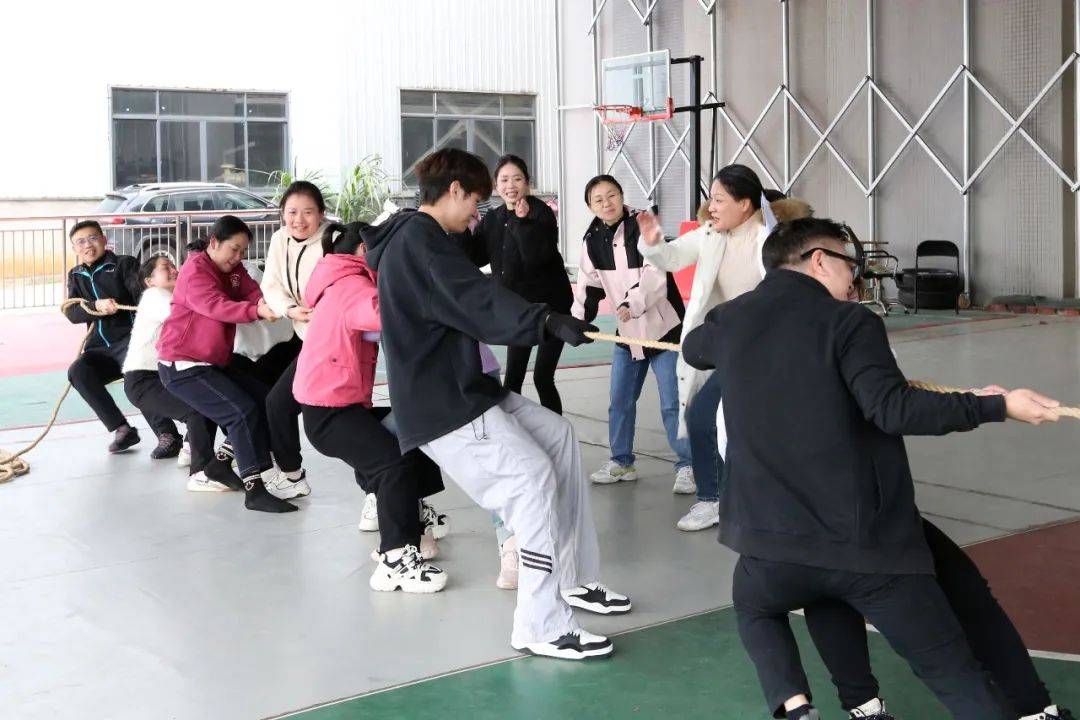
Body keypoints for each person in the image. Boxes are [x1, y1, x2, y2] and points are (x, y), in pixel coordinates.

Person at [682, 217, 1061, 720]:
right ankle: (1024, 708)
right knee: (952, 674)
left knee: (762, 603)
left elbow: (693, 348)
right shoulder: (849, 323)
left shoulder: (732, 320)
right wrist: (997, 407)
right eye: (850, 265)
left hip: (772, 546)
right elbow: (893, 409)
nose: (854, 279)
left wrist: (757, 335)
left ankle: (807, 705)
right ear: (819, 261)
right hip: (861, 542)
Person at [364, 147, 630, 661]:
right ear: (456, 191)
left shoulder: (423, 238)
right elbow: (475, 297)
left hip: (467, 387)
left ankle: (572, 579)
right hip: (444, 403)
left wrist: (545, 315)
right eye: (476, 201)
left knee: (558, 437)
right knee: (530, 480)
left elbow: (474, 289)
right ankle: (541, 623)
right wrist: (544, 320)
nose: (477, 213)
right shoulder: (419, 241)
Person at [294, 222, 447, 592]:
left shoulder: (340, 280)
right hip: (330, 411)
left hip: (337, 405)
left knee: (410, 433)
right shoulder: (352, 285)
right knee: (391, 465)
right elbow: (386, 316)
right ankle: (395, 558)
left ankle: (411, 519)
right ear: (364, 251)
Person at [637, 164, 774, 530]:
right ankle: (712, 499)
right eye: (710, 199)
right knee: (702, 417)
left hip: (763, 350)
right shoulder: (710, 233)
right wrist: (653, 243)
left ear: (745, 203)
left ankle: (747, 498)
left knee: (746, 426)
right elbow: (671, 258)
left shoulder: (769, 241)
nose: (710, 207)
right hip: (726, 348)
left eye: (719, 200)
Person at [157, 215, 296, 514]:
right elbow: (216, 306)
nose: (238, 257)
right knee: (240, 412)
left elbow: (251, 290)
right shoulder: (195, 271)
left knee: (265, 401)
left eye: (243, 251)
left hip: (211, 362)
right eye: (234, 249)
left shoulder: (234, 269)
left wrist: (270, 303)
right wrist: (257, 311)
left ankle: (220, 465)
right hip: (183, 365)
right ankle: (254, 490)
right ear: (214, 242)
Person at [572, 174, 692, 492]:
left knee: (672, 403)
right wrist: (578, 320)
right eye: (598, 199)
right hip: (627, 334)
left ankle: (688, 465)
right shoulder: (591, 239)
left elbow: (657, 272)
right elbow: (588, 283)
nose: (606, 203)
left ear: (621, 195)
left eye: (611, 195)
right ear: (590, 206)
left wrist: (632, 302)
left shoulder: (644, 224)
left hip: (664, 330)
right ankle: (621, 462)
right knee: (620, 401)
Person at [462, 154, 572, 415]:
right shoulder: (493, 218)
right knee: (512, 380)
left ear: (527, 182)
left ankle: (556, 431)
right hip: (519, 311)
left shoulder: (541, 213)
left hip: (551, 309)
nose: (510, 185)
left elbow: (536, 258)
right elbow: (477, 258)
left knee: (542, 377)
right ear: (496, 185)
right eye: (504, 180)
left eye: (517, 179)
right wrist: (465, 228)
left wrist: (523, 222)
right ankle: (517, 432)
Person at [122, 256, 242, 492]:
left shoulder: (175, 296)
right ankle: (200, 473)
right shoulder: (154, 296)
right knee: (196, 410)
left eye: (173, 265)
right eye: (165, 268)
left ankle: (192, 449)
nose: (173, 270)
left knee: (206, 402)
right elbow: (188, 318)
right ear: (150, 281)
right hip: (144, 379)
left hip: (166, 374)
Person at [61, 220, 177, 456]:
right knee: (78, 371)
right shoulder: (76, 275)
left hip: (129, 341)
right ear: (75, 248)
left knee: (135, 378)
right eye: (81, 242)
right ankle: (122, 428)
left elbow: (142, 296)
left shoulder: (124, 264)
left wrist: (116, 302)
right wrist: (96, 306)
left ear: (104, 240)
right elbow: (72, 311)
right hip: (98, 348)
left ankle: (168, 434)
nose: (88, 245)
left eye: (93, 238)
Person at [258, 181, 334, 500]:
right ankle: (286, 470)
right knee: (274, 397)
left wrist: (317, 315)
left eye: (308, 212)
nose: (298, 220)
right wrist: (289, 309)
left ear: (322, 214)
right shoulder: (280, 239)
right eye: (291, 212)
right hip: (302, 335)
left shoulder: (333, 241)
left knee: (282, 404)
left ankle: (292, 475)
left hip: (329, 341)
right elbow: (271, 284)